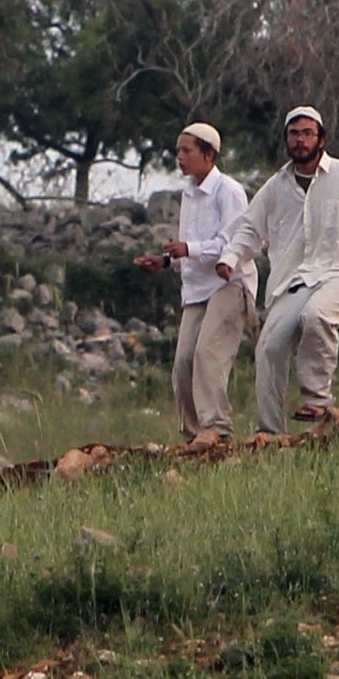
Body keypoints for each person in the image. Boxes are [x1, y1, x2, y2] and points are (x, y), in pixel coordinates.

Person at [214, 106, 339, 433]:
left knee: (317, 315)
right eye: (294, 133)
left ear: (321, 139)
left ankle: (317, 399)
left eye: (307, 132)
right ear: (286, 139)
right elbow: (249, 230)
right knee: (269, 347)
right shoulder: (275, 187)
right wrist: (230, 258)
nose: (300, 139)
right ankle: (269, 433)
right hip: (293, 280)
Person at [134, 122, 250, 443]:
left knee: (207, 353)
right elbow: (189, 244)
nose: (180, 158)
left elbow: (233, 241)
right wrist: (166, 260)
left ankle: (217, 429)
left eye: (187, 151)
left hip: (228, 282)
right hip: (197, 288)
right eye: (178, 151)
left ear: (208, 154)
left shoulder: (229, 191)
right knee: (183, 360)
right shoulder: (188, 194)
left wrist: (190, 249)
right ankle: (193, 433)